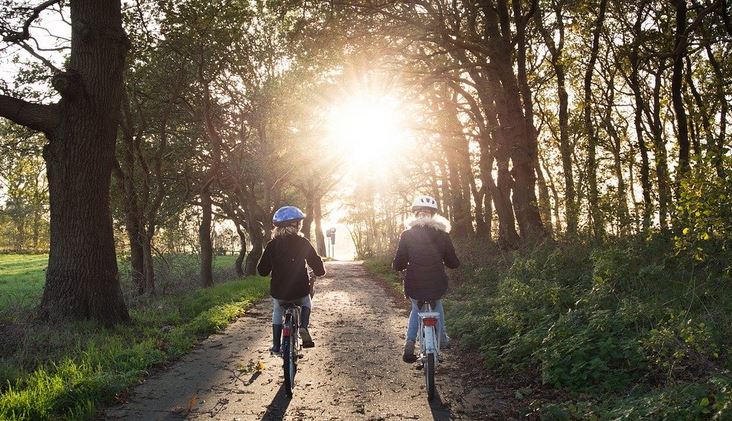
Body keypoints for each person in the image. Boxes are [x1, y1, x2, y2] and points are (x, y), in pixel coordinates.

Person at [392, 195, 460, 363]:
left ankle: (409, 342)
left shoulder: (407, 235)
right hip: (437, 281)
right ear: (433, 215)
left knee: (416, 308)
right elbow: (453, 262)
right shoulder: (443, 234)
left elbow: (399, 262)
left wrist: (399, 266)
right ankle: (442, 337)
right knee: (437, 303)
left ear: (416, 214)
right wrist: (449, 262)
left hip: (414, 281)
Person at [258, 205, 325, 352]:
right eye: (299, 223)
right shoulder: (303, 243)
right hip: (300, 292)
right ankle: (303, 327)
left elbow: (262, 270)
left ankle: (276, 345)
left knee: (277, 310)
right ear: (295, 225)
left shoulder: (271, 245)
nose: (300, 225)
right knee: (307, 301)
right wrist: (319, 271)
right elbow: (317, 264)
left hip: (279, 293)